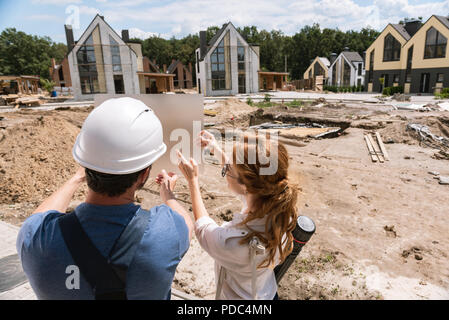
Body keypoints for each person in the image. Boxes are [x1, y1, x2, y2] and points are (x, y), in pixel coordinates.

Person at [16, 97, 193, 300]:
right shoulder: (165, 232)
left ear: (85, 164)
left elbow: (40, 216)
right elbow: (187, 222)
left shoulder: (36, 240)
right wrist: (168, 194)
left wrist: (75, 179)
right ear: (144, 174)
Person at [177, 130, 298, 300]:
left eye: (228, 169)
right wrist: (216, 149)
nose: (225, 171)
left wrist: (192, 180)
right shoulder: (280, 211)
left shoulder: (233, 243)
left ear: (247, 186)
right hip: (267, 295)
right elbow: (248, 181)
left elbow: (203, 228)